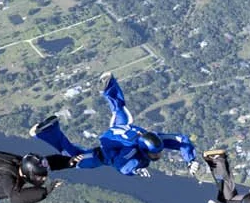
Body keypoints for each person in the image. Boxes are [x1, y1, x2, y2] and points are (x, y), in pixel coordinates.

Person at [34, 73, 197, 175]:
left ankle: (109, 85)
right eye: (155, 155)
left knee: (120, 110)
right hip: (103, 153)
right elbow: (121, 166)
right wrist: (136, 169)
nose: (158, 156)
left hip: (119, 132)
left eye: (158, 152)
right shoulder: (131, 152)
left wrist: (190, 159)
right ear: (142, 149)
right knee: (74, 158)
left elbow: (180, 140)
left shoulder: (152, 138)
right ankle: (49, 131)